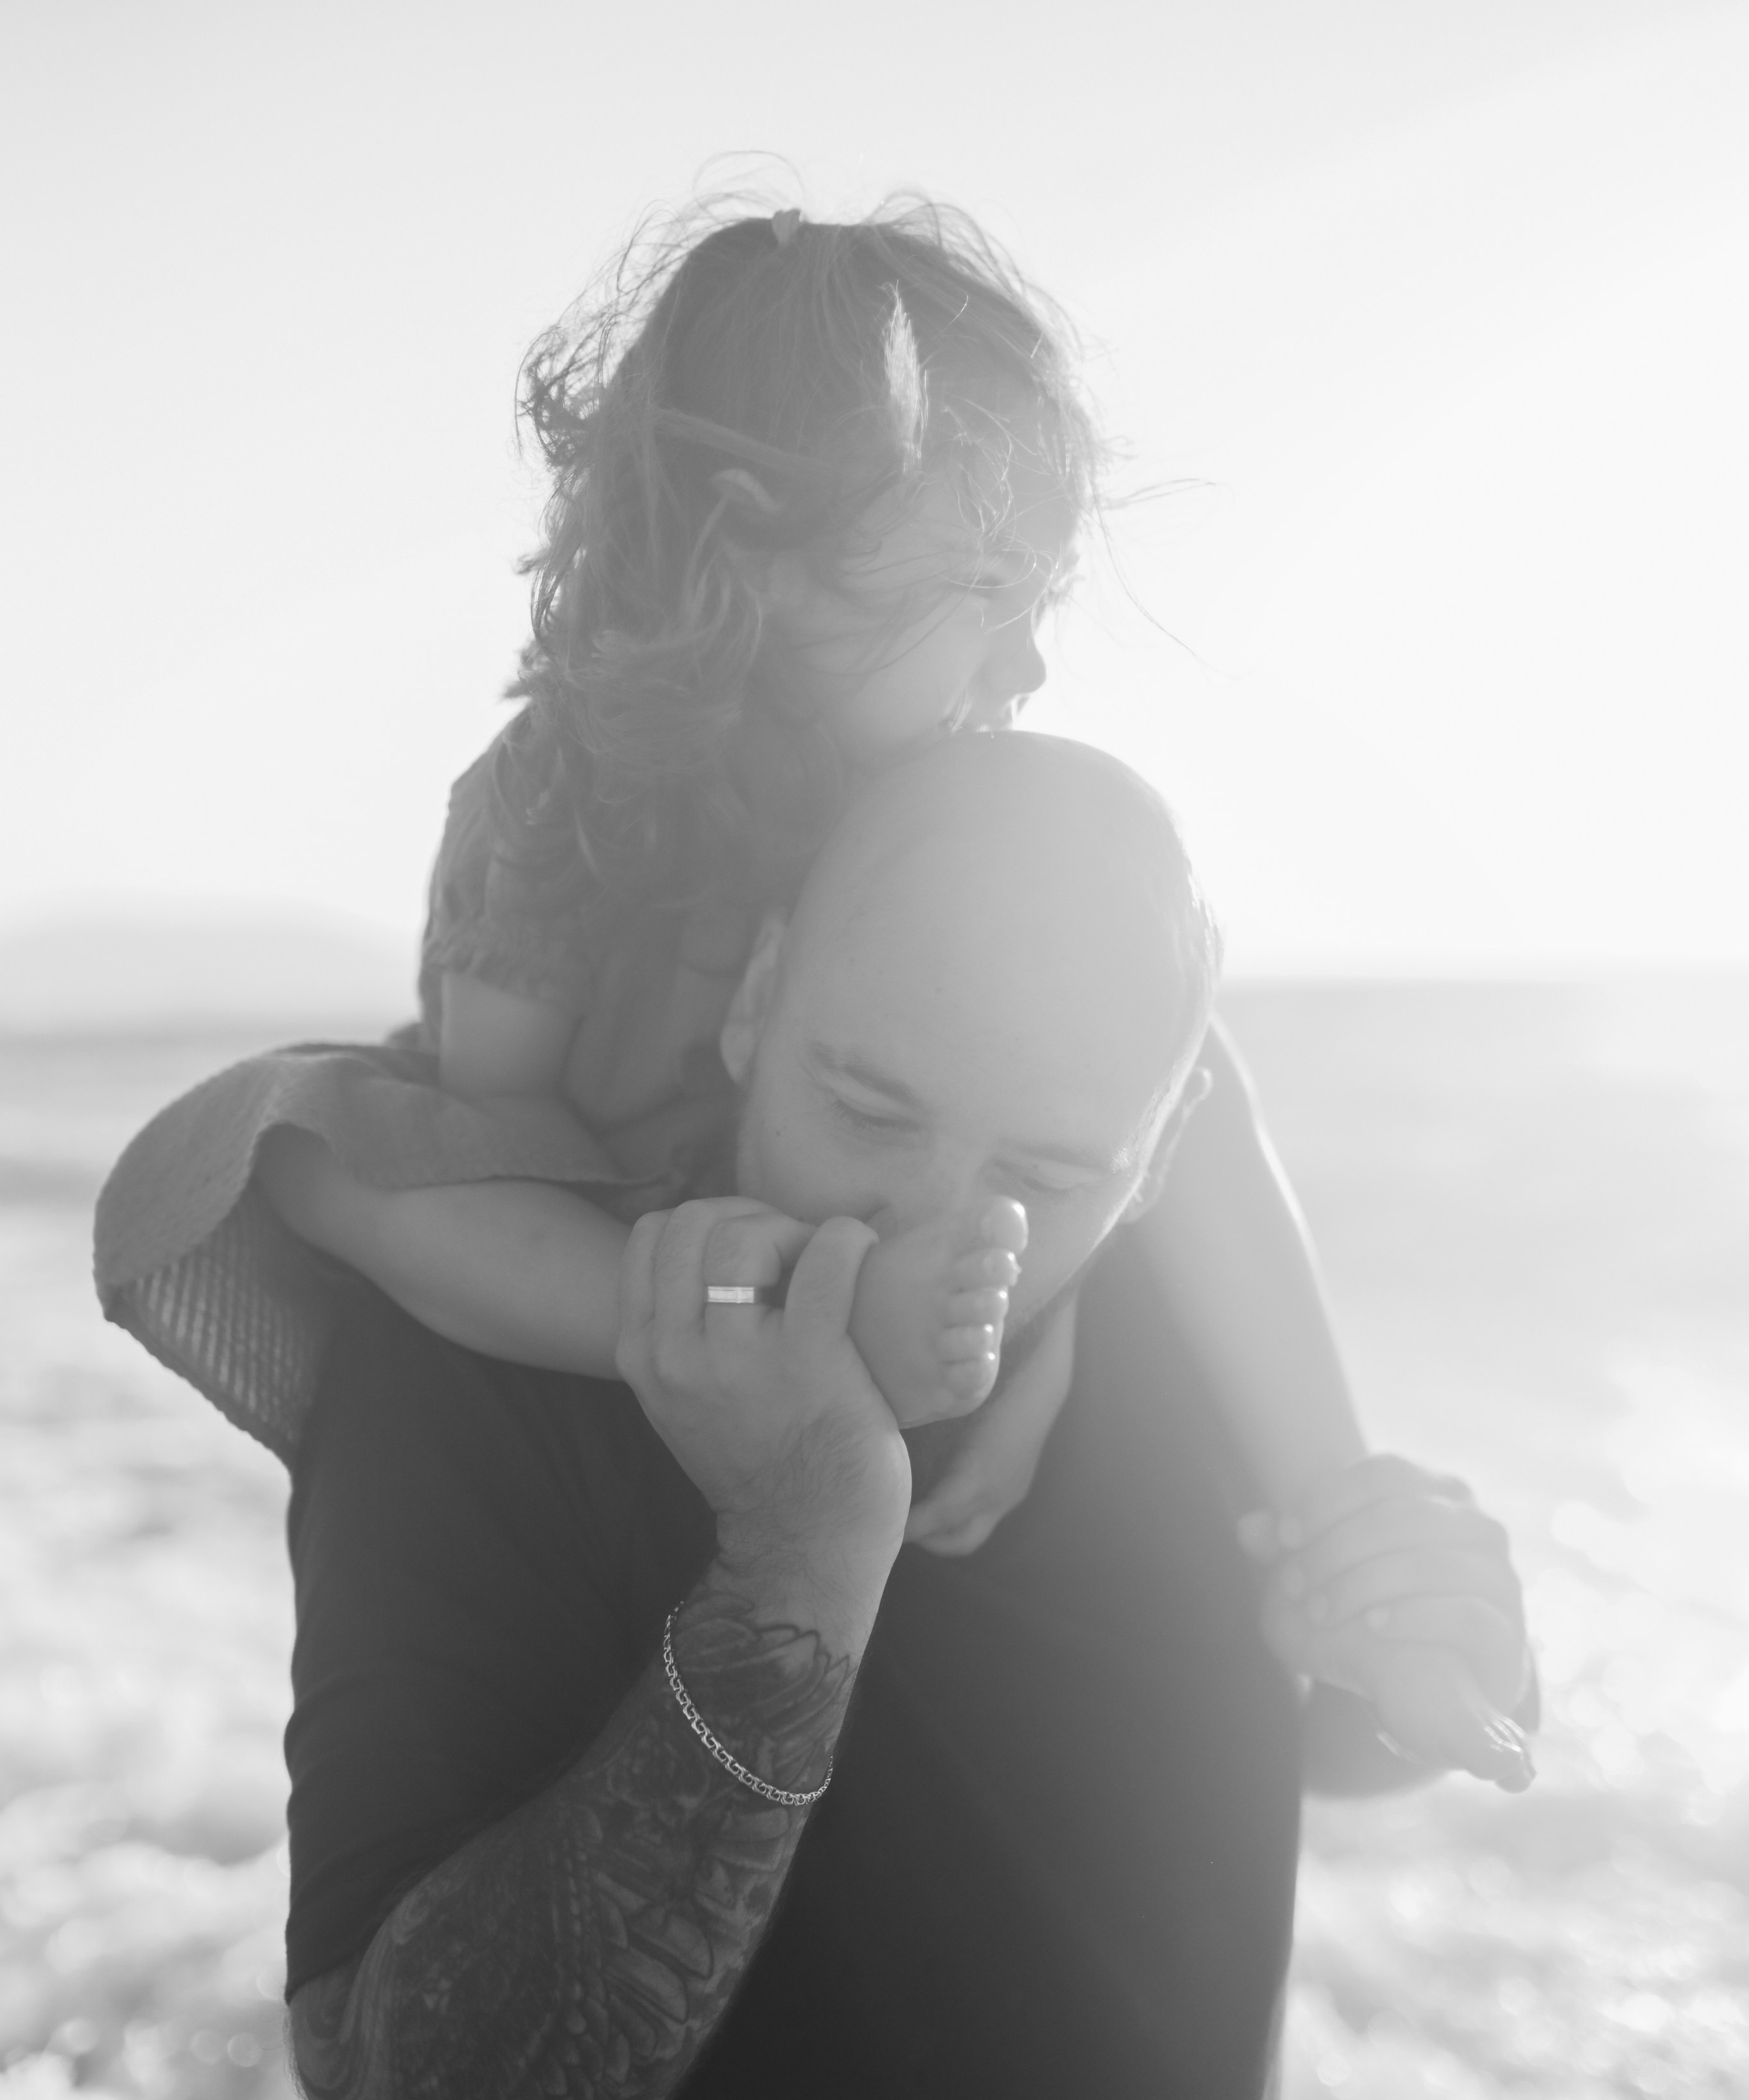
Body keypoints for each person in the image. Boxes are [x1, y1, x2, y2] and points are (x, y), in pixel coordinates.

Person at [282, 734, 1532, 2100]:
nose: (945, 1228)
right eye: (869, 1106)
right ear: (761, 993)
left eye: (1046, 1169)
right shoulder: (475, 1386)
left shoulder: (1187, 1350)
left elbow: (1227, 1752)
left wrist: (1415, 1642)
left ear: (1165, 1138)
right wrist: (801, 1551)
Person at [92, 197, 1532, 1790]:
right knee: (341, 1166)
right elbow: (500, 1130)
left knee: (1200, 1079)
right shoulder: (568, 798)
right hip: (602, 1201)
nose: (1026, 660)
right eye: (977, 583)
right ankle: (795, 1347)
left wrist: (1052, 1321)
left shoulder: (928, 781)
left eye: (1031, 592)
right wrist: (803, 1334)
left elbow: (1073, 1096)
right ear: (750, 544)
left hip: (806, 1181)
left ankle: (1351, 1525)